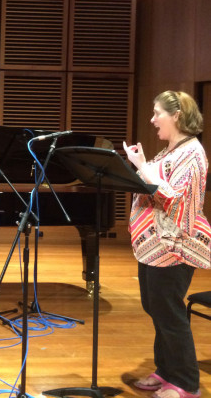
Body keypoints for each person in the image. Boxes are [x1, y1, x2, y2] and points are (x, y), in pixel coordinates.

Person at [123, 91, 211, 398]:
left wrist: (141, 166)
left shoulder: (193, 153)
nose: (152, 119)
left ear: (176, 116)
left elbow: (177, 200)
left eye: (157, 113)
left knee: (169, 313)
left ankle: (186, 383)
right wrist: (142, 163)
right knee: (156, 308)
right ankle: (166, 370)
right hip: (153, 244)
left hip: (175, 246)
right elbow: (157, 183)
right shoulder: (169, 150)